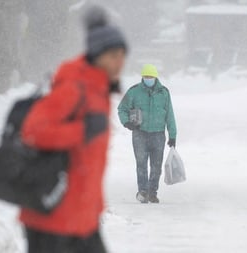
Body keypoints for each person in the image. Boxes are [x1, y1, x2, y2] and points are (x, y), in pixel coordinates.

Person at [19, 6, 127, 253]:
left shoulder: (99, 90)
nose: (119, 62)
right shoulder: (75, 86)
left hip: (81, 216)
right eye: (112, 55)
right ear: (97, 55)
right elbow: (33, 132)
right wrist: (83, 130)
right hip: (53, 218)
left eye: (122, 55)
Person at [118, 64, 177, 204]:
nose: (148, 79)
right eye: (145, 77)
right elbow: (122, 109)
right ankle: (143, 191)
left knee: (156, 166)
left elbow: (170, 115)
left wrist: (173, 135)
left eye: (150, 77)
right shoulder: (134, 92)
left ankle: (153, 192)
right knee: (141, 164)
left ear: (155, 78)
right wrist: (126, 122)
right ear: (142, 78)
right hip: (140, 134)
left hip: (158, 135)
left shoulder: (164, 93)